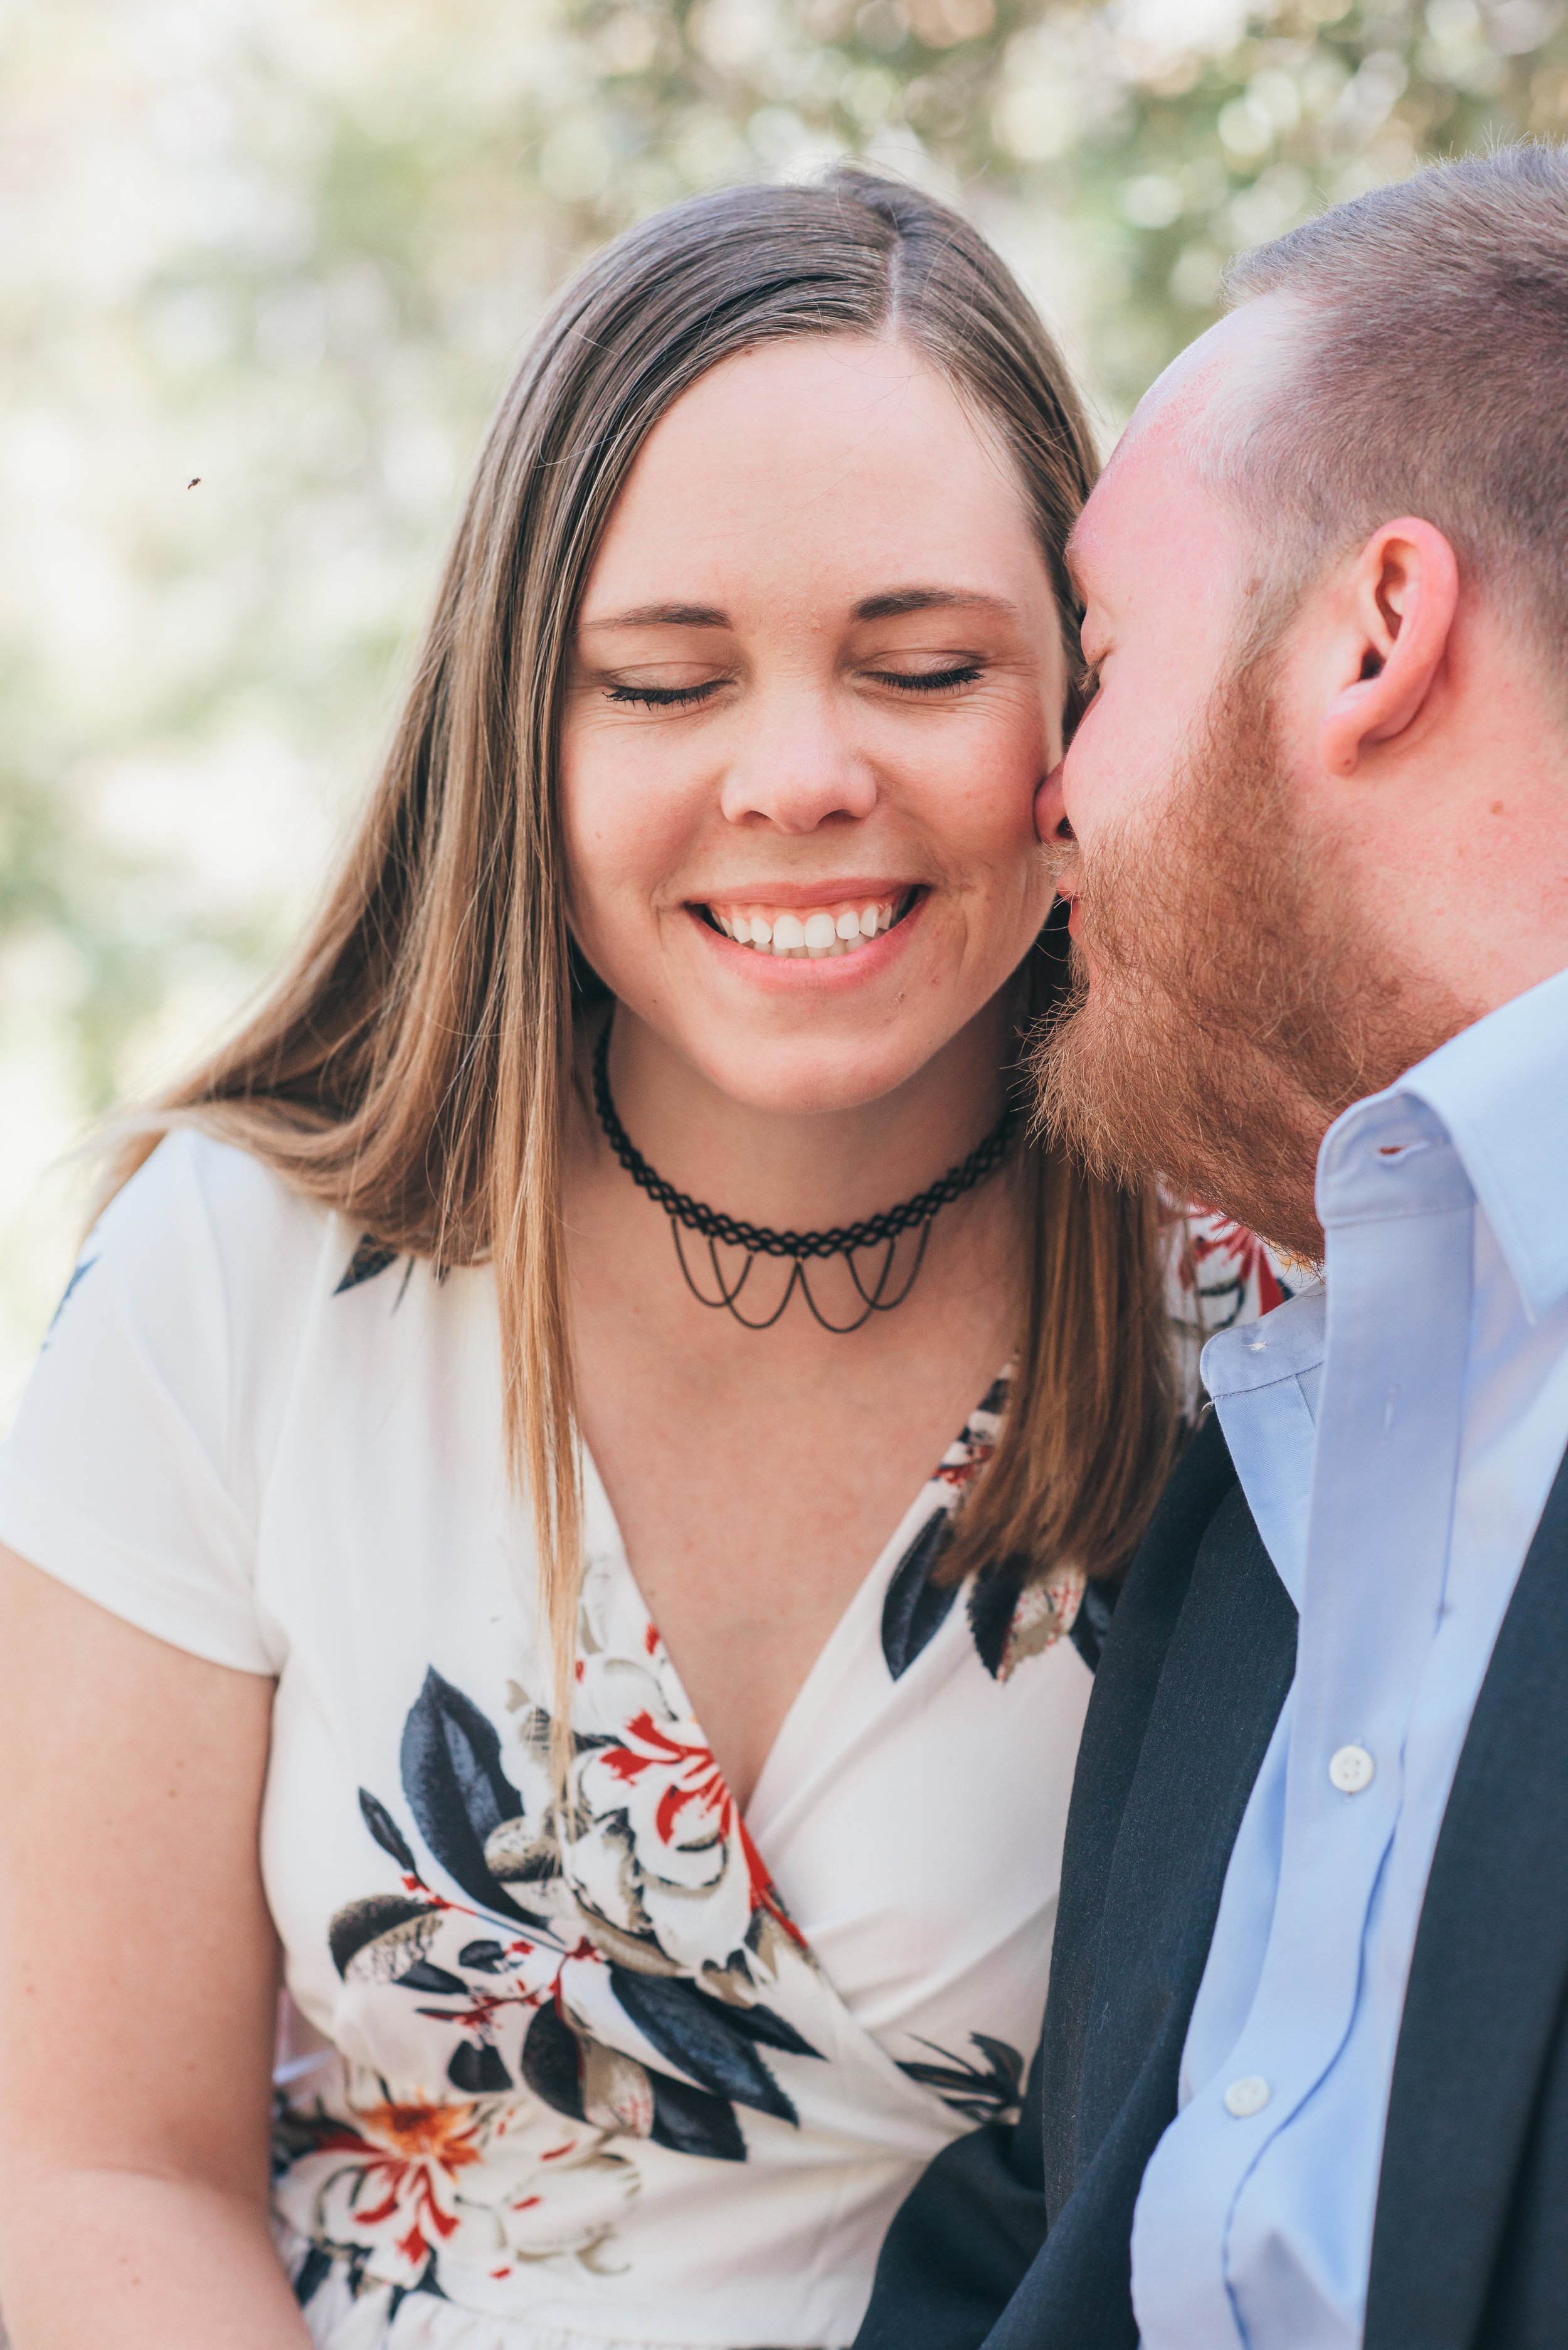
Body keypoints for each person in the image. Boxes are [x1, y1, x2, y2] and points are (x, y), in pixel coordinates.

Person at [0, 173, 1269, 2350]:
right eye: (666, 682)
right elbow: (86, 2159)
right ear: (521, 731)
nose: (798, 775)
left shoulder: (1265, 1304)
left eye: (926, 665)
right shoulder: (238, 1282)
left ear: (1085, 691)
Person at [855, 141, 1568, 2350]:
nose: (1042, 789)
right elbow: (1067, 2217)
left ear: (1374, 632)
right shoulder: (1290, 1420)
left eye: (1101, 653)